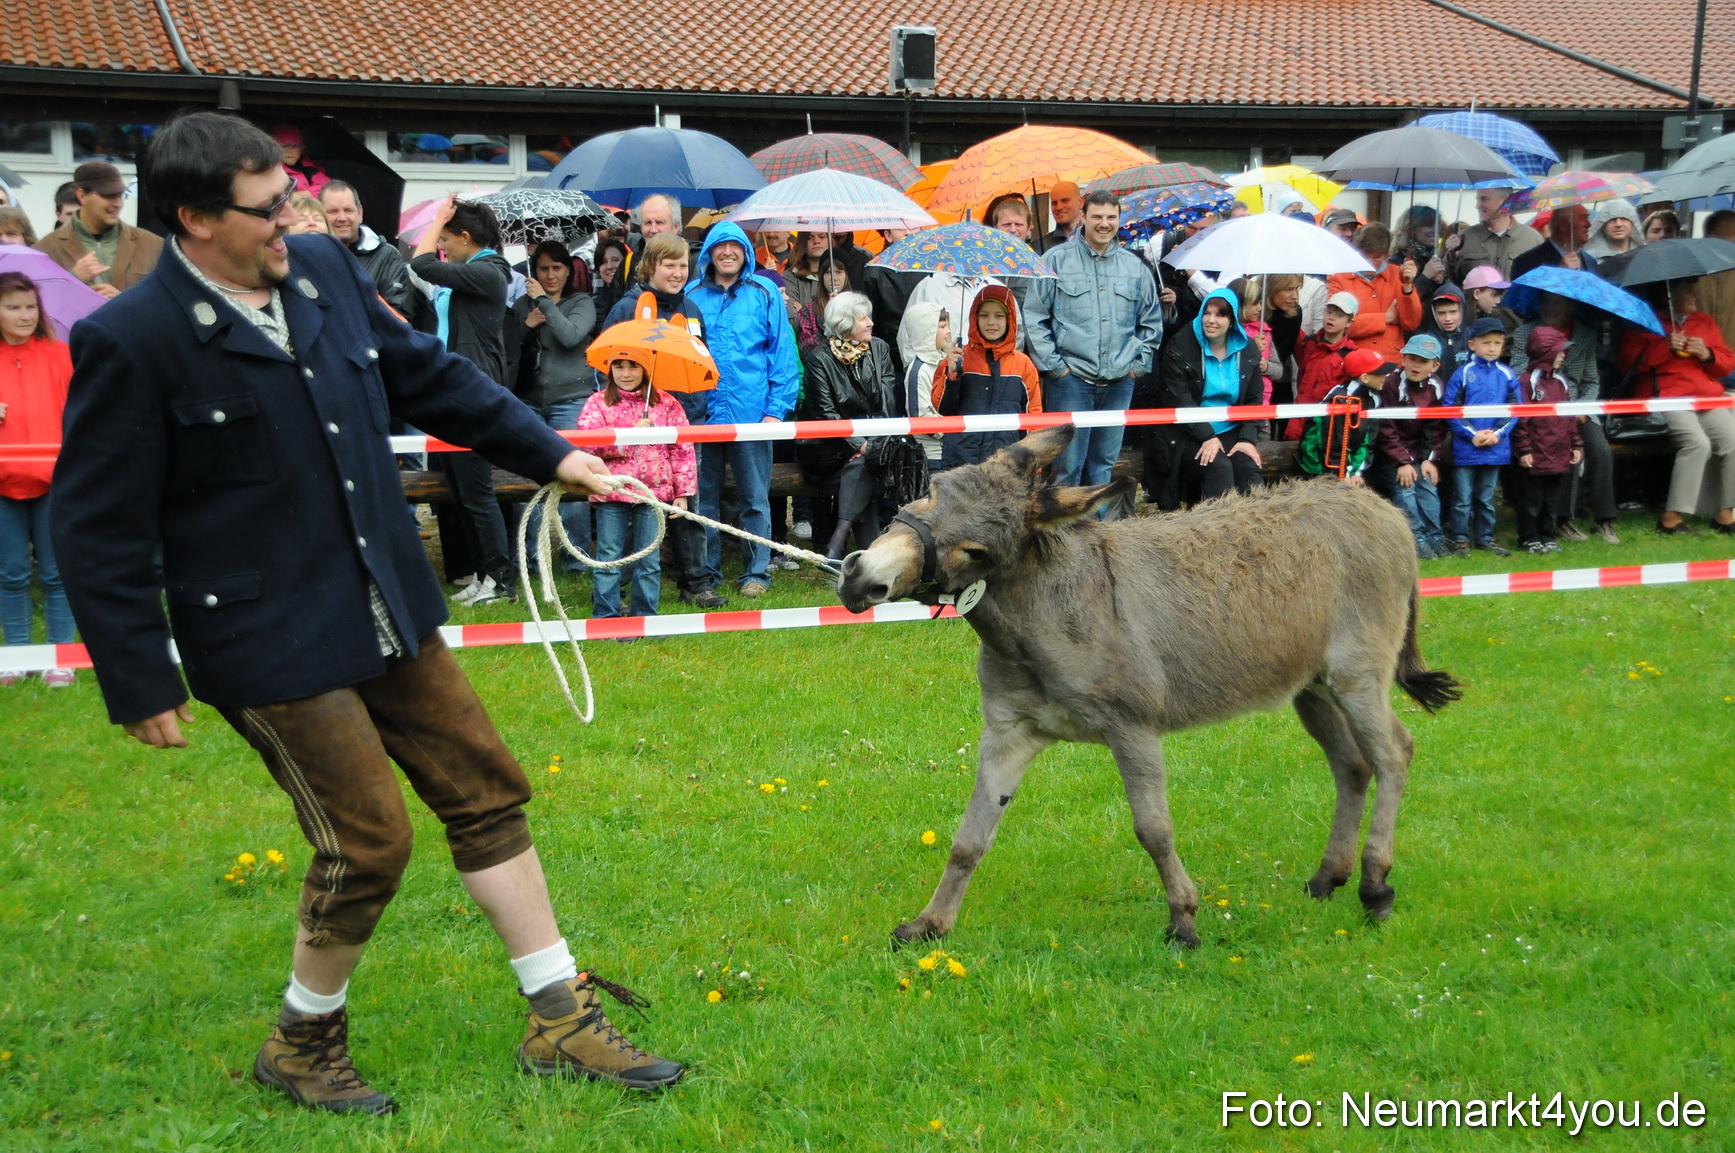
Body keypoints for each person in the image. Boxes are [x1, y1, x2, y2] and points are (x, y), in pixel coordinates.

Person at [51, 111, 683, 1117]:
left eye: (291, 199)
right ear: (191, 218)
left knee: (486, 788)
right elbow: (96, 523)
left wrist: (558, 455)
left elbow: (430, 378)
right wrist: (136, 674)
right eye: (267, 211)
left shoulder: (325, 272)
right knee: (370, 839)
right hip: (261, 633)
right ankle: (302, 1043)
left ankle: (557, 1015)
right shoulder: (129, 339)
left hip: (382, 596)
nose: (292, 222)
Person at [598, 233, 721, 607]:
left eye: (683, 265)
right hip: (636, 428)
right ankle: (616, 585)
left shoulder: (692, 309)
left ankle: (696, 582)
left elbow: (701, 361)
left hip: (685, 422)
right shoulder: (627, 308)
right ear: (650, 267)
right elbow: (608, 367)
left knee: (688, 504)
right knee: (627, 507)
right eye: (669, 265)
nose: (678, 272)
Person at [409, 196, 518, 606]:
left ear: (466, 237)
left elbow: (419, 264)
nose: (444, 249)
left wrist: (437, 217)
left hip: (471, 394)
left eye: (448, 241)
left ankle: (501, 581)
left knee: (478, 495)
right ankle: (483, 574)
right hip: (450, 391)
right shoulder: (471, 273)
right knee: (460, 495)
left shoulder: (489, 273)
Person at [686, 221, 801, 597]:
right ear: (709, 253)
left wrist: (775, 411)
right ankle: (707, 575)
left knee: (755, 499)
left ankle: (756, 573)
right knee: (704, 500)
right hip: (702, 415)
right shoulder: (691, 295)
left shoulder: (764, 291)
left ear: (746, 251)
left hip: (752, 415)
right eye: (720, 247)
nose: (728, 253)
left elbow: (782, 355)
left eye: (735, 246)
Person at [1023, 190, 1163, 492]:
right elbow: (1033, 316)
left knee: (1103, 465)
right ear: (1083, 217)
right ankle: (1064, 536)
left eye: (1111, 217)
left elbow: (1151, 322)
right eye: (1097, 216)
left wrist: (1136, 367)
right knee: (1066, 467)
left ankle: (1098, 535)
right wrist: (1055, 367)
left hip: (1119, 383)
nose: (1104, 223)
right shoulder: (1055, 261)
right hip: (1070, 381)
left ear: (1119, 220)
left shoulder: (1135, 267)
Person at [577, 352, 696, 618]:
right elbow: (587, 443)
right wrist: (630, 432)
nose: (626, 373)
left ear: (645, 370)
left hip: (653, 494)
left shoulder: (667, 403)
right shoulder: (597, 403)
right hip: (611, 491)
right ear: (610, 370)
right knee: (608, 556)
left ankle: (645, 618)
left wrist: (683, 492)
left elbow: (682, 448)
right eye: (619, 366)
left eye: (633, 367)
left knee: (649, 559)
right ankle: (606, 617)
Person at [504, 241, 599, 572]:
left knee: (574, 479)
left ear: (569, 271)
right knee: (526, 481)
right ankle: (529, 560)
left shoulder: (581, 302)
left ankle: (576, 560)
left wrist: (543, 300)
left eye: (557, 268)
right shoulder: (521, 305)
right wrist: (526, 324)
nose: (550, 274)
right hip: (527, 401)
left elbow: (571, 335)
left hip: (571, 401)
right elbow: (506, 348)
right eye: (543, 268)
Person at [0, 271, 75, 687]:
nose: (25, 315)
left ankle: (59, 656)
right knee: (10, 573)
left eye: (30, 306)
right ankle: (15, 656)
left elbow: (82, 414)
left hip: (55, 482)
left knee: (56, 572)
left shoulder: (61, 356)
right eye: (13, 307)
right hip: (2, 485)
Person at [1616, 278, 1735, 535]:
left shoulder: (1704, 322)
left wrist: (1707, 355)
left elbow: (1726, 364)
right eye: (1688, 290)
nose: (1695, 294)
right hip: (1666, 398)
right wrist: (1663, 347)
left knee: (1732, 441)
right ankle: (1671, 519)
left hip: (1706, 396)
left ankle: (1725, 514)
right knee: (1697, 444)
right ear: (1669, 296)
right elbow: (1627, 365)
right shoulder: (1644, 324)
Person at [796, 291, 901, 559]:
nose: (871, 323)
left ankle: (837, 544)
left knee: (863, 465)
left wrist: (868, 445)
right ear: (844, 323)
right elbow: (825, 414)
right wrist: (859, 445)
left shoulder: (879, 349)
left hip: (870, 443)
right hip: (825, 447)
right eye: (863, 317)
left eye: (869, 316)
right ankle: (867, 548)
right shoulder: (819, 358)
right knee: (864, 464)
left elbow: (887, 407)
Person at [1511, 292, 1615, 543]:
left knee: (1600, 449)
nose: (1550, 308)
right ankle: (1562, 521)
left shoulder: (1586, 335)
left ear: (1570, 306)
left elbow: (1591, 381)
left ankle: (1604, 521)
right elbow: (1517, 376)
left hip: (1576, 406)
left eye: (1557, 302)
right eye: (1545, 301)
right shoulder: (1525, 333)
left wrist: (1579, 408)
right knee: (1558, 447)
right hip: (1539, 409)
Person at [1149, 286, 1263, 507]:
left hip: (1230, 428)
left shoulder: (1248, 348)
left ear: (1232, 320)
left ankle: (1257, 534)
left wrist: (1248, 439)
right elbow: (1178, 399)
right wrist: (1207, 437)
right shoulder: (1181, 345)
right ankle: (1215, 535)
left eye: (1220, 314)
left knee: (1248, 469)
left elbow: (1254, 399)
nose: (1211, 320)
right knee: (1219, 468)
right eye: (1207, 313)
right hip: (1187, 430)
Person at [932, 286, 1041, 470]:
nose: (991, 322)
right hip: (961, 461)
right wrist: (951, 375)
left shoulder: (1023, 365)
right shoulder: (957, 358)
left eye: (999, 316)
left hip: (1007, 463)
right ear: (975, 318)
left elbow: (1033, 417)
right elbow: (943, 409)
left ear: (1010, 319)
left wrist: (1034, 464)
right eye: (984, 315)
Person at [1442, 318, 1521, 556]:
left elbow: (1515, 408)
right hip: (1467, 448)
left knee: (1486, 498)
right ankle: (1459, 538)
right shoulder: (1463, 373)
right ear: (1472, 344)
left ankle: (1486, 537)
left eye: (1498, 342)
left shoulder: (1507, 374)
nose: (1492, 347)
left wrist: (1497, 434)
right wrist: (1472, 435)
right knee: (1463, 499)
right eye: (1486, 342)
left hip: (1496, 447)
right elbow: (1450, 407)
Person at [34, 161, 163, 298]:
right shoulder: (45, 250)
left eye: (119, 195)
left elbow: (169, 302)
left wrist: (124, 301)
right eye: (108, 196)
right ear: (82, 196)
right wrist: (74, 279)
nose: (118, 204)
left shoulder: (154, 245)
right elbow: (38, 306)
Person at [1373, 334, 1449, 558]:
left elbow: (1436, 427)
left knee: (1428, 484)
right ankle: (1416, 538)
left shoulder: (1437, 387)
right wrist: (1402, 461)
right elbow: (1385, 427)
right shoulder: (1390, 383)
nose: (1416, 365)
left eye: (1423, 361)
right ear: (1403, 359)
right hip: (1389, 455)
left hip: (1419, 453)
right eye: (1412, 358)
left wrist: (1429, 459)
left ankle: (1436, 537)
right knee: (1405, 487)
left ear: (1435, 365)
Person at [1511, 326, 1584, 554]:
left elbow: (1568, 417)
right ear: (1545, 353)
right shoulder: (1526, 382)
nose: (1563, 356)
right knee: (1531, 501)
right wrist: (1524, 449)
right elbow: (1520, 418)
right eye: (1559, 351)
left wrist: (1576, 443)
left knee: (1551, 501)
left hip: (1558, 453)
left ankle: (1548, 535)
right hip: (1535, 455)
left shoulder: (1561, 383)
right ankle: (1528, 538)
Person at [1326, 224, 1422, 362]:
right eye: (1364, 256)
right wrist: (1385, 318)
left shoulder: (1397, 275)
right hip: (1353, 360)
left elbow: (1411, 323)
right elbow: (1337, 324)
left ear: (1387, 255)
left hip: (1390, 361)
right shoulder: (1339, 277)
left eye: (1376, 257)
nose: (1368, 263)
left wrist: (1408, 286)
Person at [319, 181, 415, 317]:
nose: (342, 218)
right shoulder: (310, 256)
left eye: (348, 210)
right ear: (321, 215)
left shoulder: (387, 256)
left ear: (360, 213)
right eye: (333, 211)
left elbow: (399, 315)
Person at [1296, 346, 1389, 485]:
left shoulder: (1374, 398)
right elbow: (1331, 442)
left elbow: (1368, 440)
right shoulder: (1339, 399)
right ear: (1364, 378)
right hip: (1319, 464)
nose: (1385, 376)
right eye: (1380, 373)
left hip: (1347, 461)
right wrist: (1341, 473)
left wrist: (1356, 471)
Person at [1286, 291, 1361, 440]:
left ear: (1349, 322)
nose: (1331, 317)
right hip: (1297, 418)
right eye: (1329, 312)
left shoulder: (1350, 356)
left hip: (1324, 428)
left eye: (1339, 315)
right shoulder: (1309, 343)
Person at [859, 226, 923, 372]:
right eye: (901, 229)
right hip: (889, 355)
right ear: (888, 235)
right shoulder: (875, 270)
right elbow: (868, 317)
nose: (908, 232)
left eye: (914, 228)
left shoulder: (932, 268)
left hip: (924, 350)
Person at [1446, 187, 1542, 283]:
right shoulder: (1464, 238)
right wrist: (1452, 256)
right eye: (1478, 200)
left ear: (1504, 201)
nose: (1477, 206)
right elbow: (1451, 282)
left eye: (1484, 199)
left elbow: (1541, 282)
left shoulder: (1532, 239)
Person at [899, 301, 952, 467]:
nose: (948, 331)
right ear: (925, 331)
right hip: (932, 456)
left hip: (951, 450)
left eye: (948, 326)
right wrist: (952, 432)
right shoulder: (919, 370)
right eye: (942, 327)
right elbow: (920, 417)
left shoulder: (945, 362)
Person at [1509, 205, 1596, 282]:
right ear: (1563, 225)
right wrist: (1559, 273)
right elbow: (1523, 297)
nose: (1589, 224)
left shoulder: (1590, 261)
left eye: (1587, 218)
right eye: (1583, 218)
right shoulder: (1527, 262)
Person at [794, 253, 850, 354]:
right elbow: (805, 348)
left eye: (839, 272)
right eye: (828, 272)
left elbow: (862, 339)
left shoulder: (858, 307)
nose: (834, 278)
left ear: (846, 275)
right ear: (821, 276)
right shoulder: (808, 311)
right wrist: (829, 321)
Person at [1420, 282, 1470, 374]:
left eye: (1453, 312)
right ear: (1434, 314)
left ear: (1462, 310)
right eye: (1441, 313)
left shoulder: (1471, 337)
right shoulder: (1426, 340)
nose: (1447, 318)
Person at [1463, 266, 1522, 340]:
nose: (1498, 301)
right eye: (1494, 295)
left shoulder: (1498, 317)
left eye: (1500, 295)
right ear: (1477, 294)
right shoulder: (1459, 320)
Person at [270, 125, 329, 195]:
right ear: (274, 148)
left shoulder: (310, 168)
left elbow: (330, 188)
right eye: (283, 146)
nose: (289, 151)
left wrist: (303, 194)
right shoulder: (269, 170)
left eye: (294, 146)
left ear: (302, 148)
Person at [591, 235, 631, 318]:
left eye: (615, 260)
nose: (609, 266)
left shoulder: (637, 294)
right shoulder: (596, 303)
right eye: (603, 261)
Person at [1043, 181, 1082, 250]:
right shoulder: (1040, 246)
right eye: (1054, 203)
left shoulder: (1097, 240)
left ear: (1081, 202)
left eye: (1065, 201)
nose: (1059, 207)